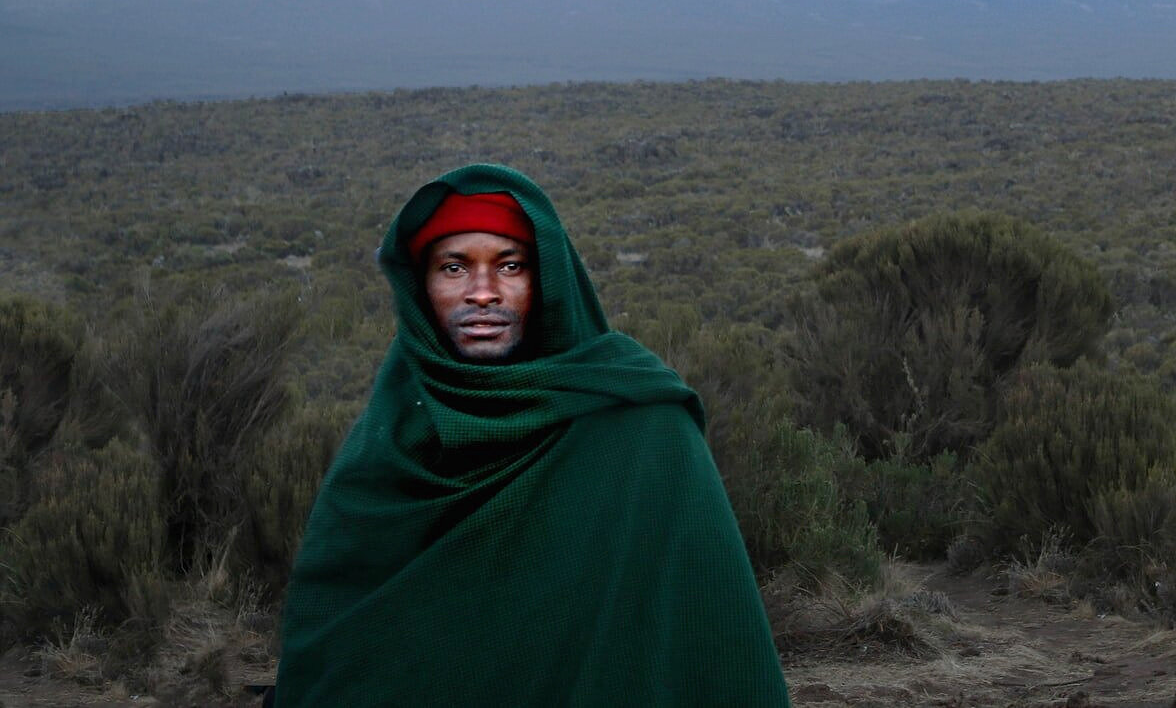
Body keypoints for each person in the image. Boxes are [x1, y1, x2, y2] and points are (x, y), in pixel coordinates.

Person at [271, 163, 790, 706]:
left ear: (546, 283)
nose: (482, 293)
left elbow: (707, 635)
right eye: (453, 268)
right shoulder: (389, 441)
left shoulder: (639, 424)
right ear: (421, 288)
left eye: (510, 265)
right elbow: (336, 639)